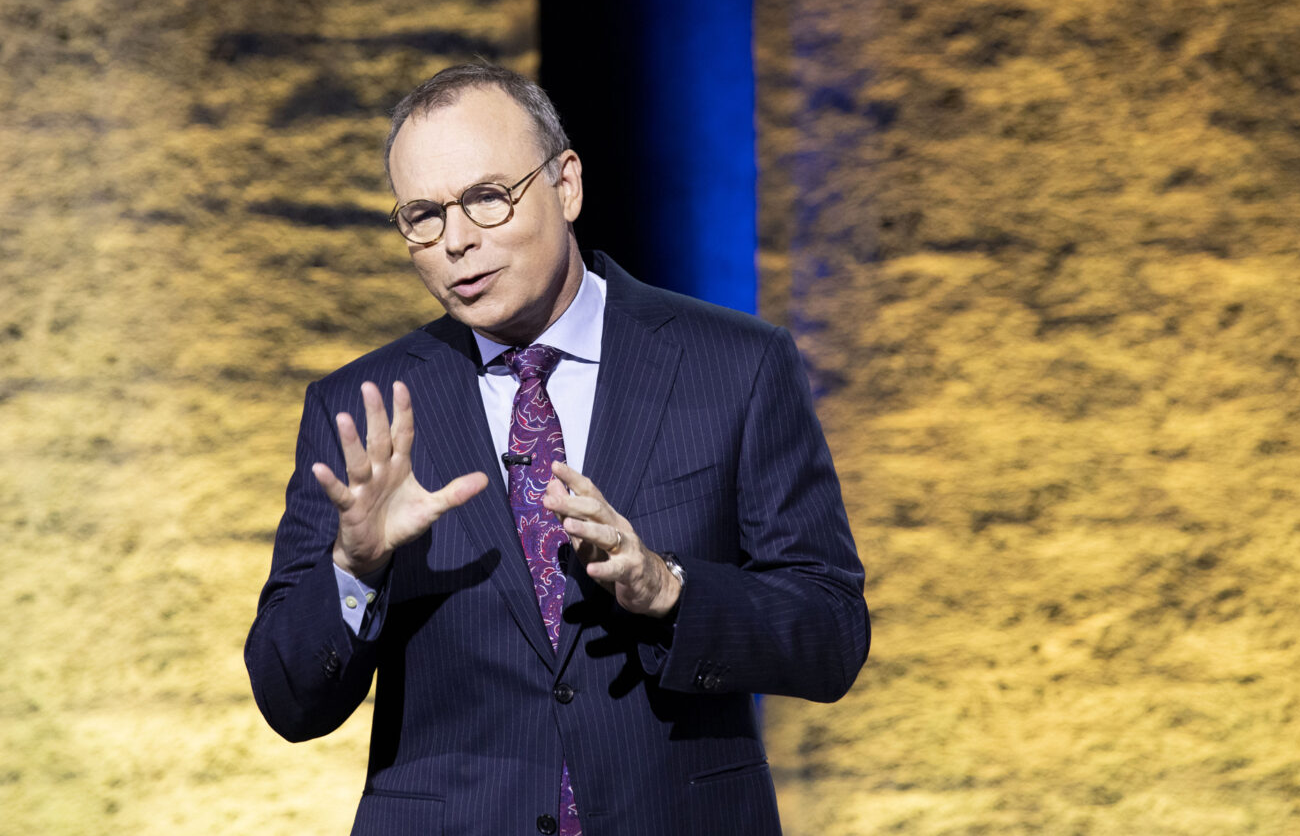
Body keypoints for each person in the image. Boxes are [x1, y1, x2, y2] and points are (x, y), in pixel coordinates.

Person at [244, 63, 869, 835]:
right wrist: (354, 568)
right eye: (422, 216)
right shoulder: (361, 411)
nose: (457, 242)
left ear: (566, 186)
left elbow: (832, 634)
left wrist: (670, 590)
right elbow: (288, 699)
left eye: (486, 198)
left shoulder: (736, 366)